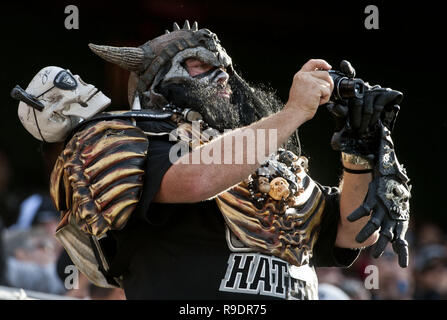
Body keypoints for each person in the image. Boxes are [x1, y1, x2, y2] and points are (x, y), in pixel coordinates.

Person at [12, 21, 410, 300]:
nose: (220, 74)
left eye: (221, 65)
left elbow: (352, 233)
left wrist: (360, 148)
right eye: (198, 64)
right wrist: (293, 112)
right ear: (156, 86)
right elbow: (197, 180)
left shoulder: (276, 161)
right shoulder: (135, 138)